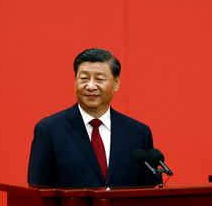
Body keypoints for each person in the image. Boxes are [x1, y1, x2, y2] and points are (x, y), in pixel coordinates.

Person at [27, 48, 161, 188]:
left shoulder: (138, 133)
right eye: (84, 78)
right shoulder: (50, 131)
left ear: (116, 83)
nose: (90, 86)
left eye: (99, 79)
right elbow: (38, 189)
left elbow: (148, 190)